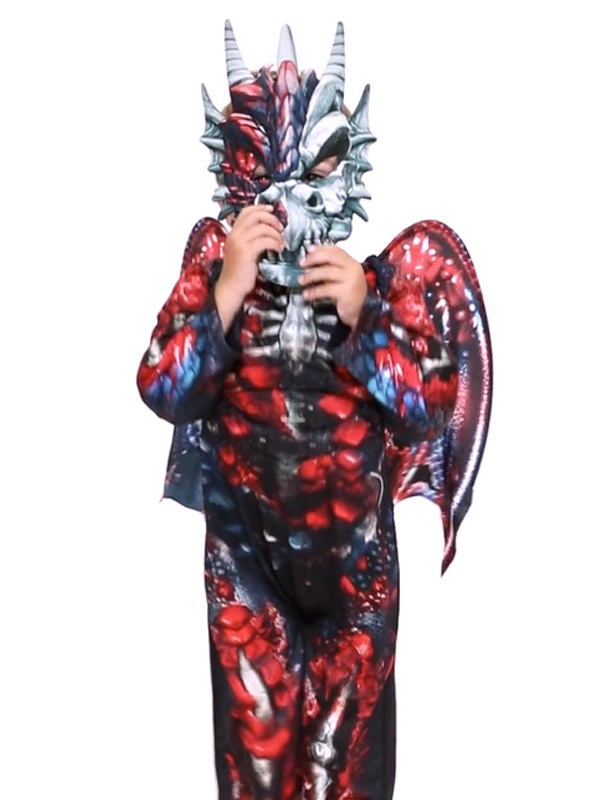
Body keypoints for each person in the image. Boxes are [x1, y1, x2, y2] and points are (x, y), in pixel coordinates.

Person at [137, 20, 490, 800]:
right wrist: (227, 290)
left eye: (315, 165)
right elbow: (162, 386)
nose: (289, 194)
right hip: (246, 570)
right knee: (256, 770)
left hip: (357, 579)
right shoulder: (215, 266)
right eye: (264, 170)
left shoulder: (378, 284)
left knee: (350, 772)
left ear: (347, 161)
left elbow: (428, 407)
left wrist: (369, 314)